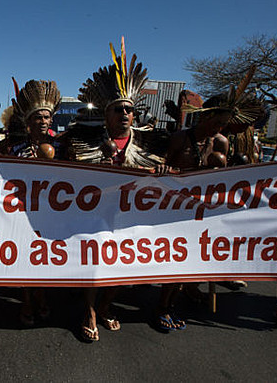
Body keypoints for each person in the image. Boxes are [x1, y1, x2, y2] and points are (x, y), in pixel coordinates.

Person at [70, 39, 168, 341]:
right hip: (95, 216)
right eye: (117, 110)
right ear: (106, 114)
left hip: (129, 217)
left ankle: (107, 305)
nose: (124, 114)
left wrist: (164, 173)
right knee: (93, 264)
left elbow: (161, 176)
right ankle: (89, 310)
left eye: (129, 110)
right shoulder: (83, 141)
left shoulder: (150, 144)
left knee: (121, 266)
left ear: (134, 116)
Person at [0, 79, 61, 326]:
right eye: (38, 118)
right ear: (27, 121)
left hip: (52, 212)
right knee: (25, 257)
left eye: (47, 117)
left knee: (45, 257)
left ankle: (42, 295)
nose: (44, 121)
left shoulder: (64, 146)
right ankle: (26, 299)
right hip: (21, 213)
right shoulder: (14, 149)